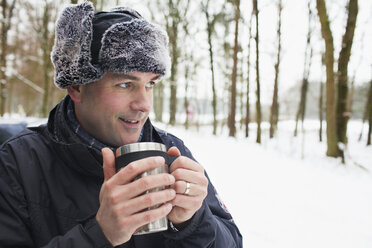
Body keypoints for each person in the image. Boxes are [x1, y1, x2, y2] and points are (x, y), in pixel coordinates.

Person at [0, 2, 242, 247]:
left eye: (150, 84)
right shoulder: (17, 164)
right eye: (125, 84)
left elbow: (233, 241)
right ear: (76, 87)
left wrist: (194, 222)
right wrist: (99, 235)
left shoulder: (171, 150)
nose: (144, 104)